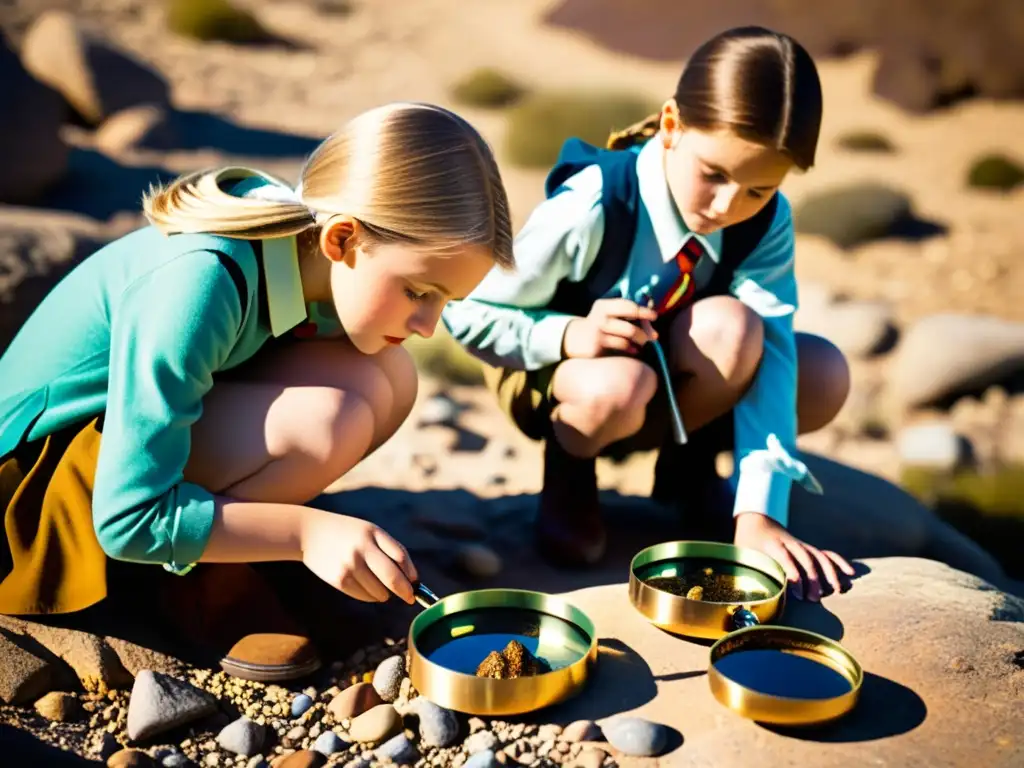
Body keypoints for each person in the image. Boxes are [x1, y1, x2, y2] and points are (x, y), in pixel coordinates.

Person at [0, 102, 513, 681]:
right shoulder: (202, 280)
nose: (429, 325)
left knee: (391, 376)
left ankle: (231, 537)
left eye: (446, 301)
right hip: (34, 498)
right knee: (326, 421)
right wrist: (304, 533)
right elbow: (125, 516)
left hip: (113, 447)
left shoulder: (297, 244)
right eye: (420, 290)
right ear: (342, 239)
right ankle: (189, 580)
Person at [442, 26, 855, 602]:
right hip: (566, 377)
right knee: (618, 382)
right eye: (713, 173)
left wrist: (759, 510)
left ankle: (688, 474)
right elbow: (468, 311)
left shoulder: (766, 223)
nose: (726, 207)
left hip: (670, 380)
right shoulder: (595, 202)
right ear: (670, 126)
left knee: (808, 364)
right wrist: (569, 333)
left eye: (758, 190)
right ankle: (569, 479)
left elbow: (777, 352)